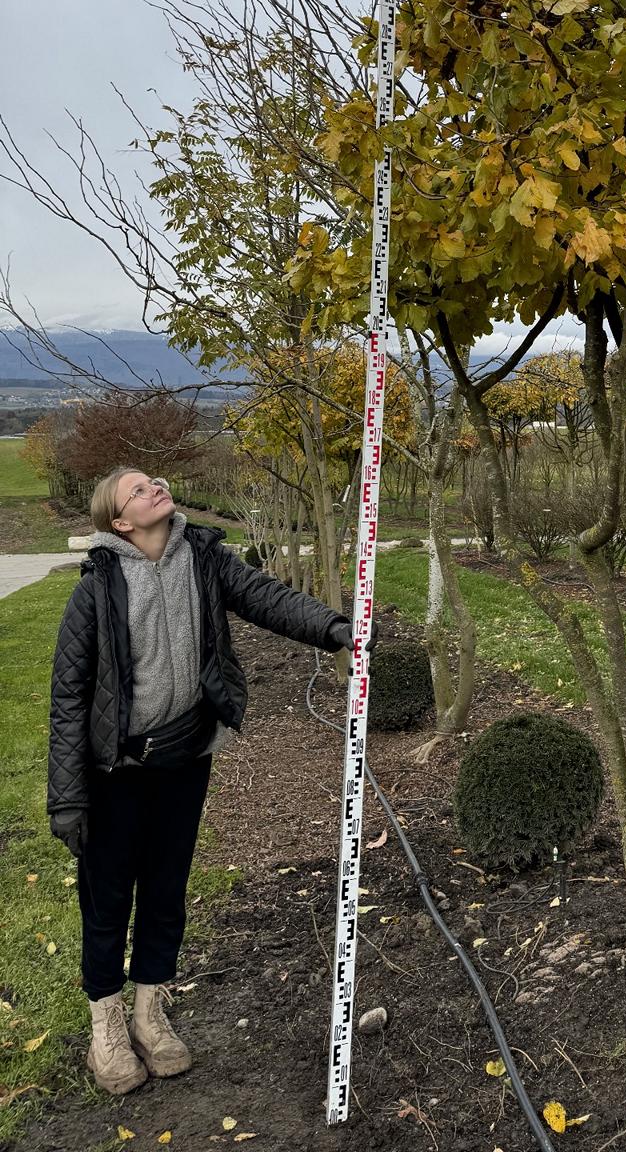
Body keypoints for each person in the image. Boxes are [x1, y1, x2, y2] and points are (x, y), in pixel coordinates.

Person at [47, 467, 360, 1096]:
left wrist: (334, 629)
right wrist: (68, 797)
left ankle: (148, 1014)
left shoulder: (205, 559)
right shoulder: (96, 591)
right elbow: (69, 697)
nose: (155, 486)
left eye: (153, 480)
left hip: (185, 763)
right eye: (137, 489)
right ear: (120, 522)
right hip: (115, 774)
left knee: (165, 892)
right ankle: (105, 1027)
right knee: (108, 902)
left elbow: (269, 598)